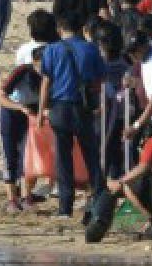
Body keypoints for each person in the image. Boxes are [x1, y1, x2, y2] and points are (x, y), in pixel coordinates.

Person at [38, 11, 106, 220]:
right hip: (83, 107)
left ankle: (65, 207)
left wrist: (41, 111)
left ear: (60, 29)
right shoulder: (90, 49)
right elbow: (100, 80)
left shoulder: (51, 50)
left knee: (63, 158)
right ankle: (99, 200)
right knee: (91, 156)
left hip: (59, 107)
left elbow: (46, 82)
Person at [0, 43, 44, 212]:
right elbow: (0, 97)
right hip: (10, 113)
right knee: (10, 155)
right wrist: (19, 107)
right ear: (35, 61)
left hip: (30, 115)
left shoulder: (49, 76)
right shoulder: (22, 71)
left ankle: (26, 196)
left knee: (27, 156)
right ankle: (11, 199)